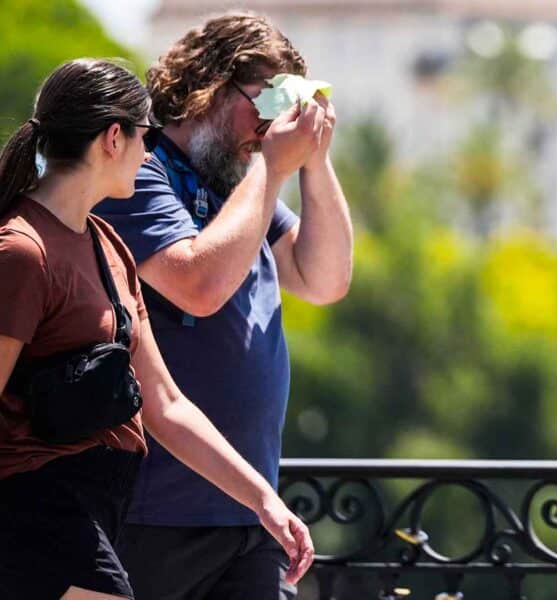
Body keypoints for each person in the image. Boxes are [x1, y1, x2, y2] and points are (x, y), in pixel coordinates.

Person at [0, 58, 314, 600]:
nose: (150, 155)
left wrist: (263, 498)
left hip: (98, 509)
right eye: (146, 137)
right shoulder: (22, 250)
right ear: (113, 138)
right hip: (35, 511)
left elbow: (165, 403)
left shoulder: (109, 247)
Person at [93, 11, 353, 600]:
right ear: (207, 83)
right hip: (153, 510)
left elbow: (325, 278)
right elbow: (198, 286)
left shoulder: (237, 187)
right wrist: (271, 164)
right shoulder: (137, 172)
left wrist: (314, 159)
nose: (269, 125)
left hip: (250, 510)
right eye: (263, 102)